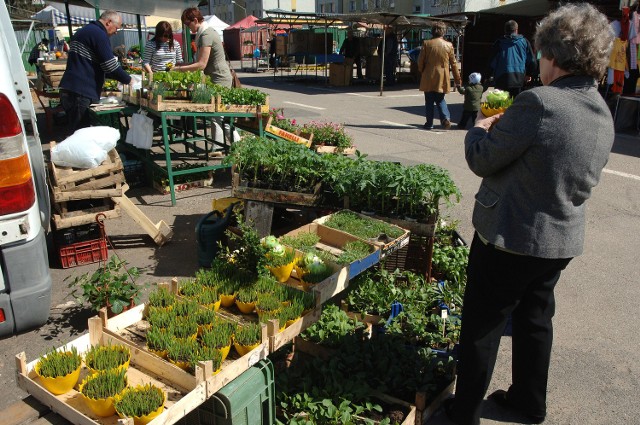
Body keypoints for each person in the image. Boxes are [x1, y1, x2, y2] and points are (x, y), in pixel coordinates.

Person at [444, 4, 615, 425]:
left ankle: (464, 411)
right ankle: (527, 403)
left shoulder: (539, 102)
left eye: (541, 52)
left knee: (483, 325)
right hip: (559, 241)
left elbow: (483, 160)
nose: (538, 60)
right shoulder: (601, 108)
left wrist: (479, 129)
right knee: (535, 321)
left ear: (554, 56)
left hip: (510, 239)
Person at [59, 11, 132, 133]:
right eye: (116, 28)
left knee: (77, 130)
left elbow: (98, 65)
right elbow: (110, 66)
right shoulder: (99, 34)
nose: (116, 32)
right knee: (81, 133)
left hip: (70, 88)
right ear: (108, 22)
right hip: (80, 91)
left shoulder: (84, 31)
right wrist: (129, 80)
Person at [417, 21, 461, 130]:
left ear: (432, 31)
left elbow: (420, 61)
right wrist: (458, 80)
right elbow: (454, 64)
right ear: (443, 32)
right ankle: (445, 118)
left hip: (428, 75)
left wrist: (422, 70)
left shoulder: (426, 44)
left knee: (429, 100)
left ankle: (429, 123)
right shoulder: (449, 45)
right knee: (440, 99)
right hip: (442, 77)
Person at [174, 7, 232, 88]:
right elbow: (200, 61)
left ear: (195, 20)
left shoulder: (206, 35)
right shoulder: (203, 33)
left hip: (219, 79)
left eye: (188, 24)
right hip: (213, 78)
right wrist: (183, 64)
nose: (187, 27)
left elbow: (201, 64)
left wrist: (179, 69)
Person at [487, 19, 537, 99]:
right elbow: (532, 60)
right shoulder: (524, 42)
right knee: (516, 106)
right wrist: (529, 74)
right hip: (519, 78)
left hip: (501, 79)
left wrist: (487, 76)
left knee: (501, 106)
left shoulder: (499, 43)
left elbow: (491, 62)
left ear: (505, 30)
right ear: (516, 30)